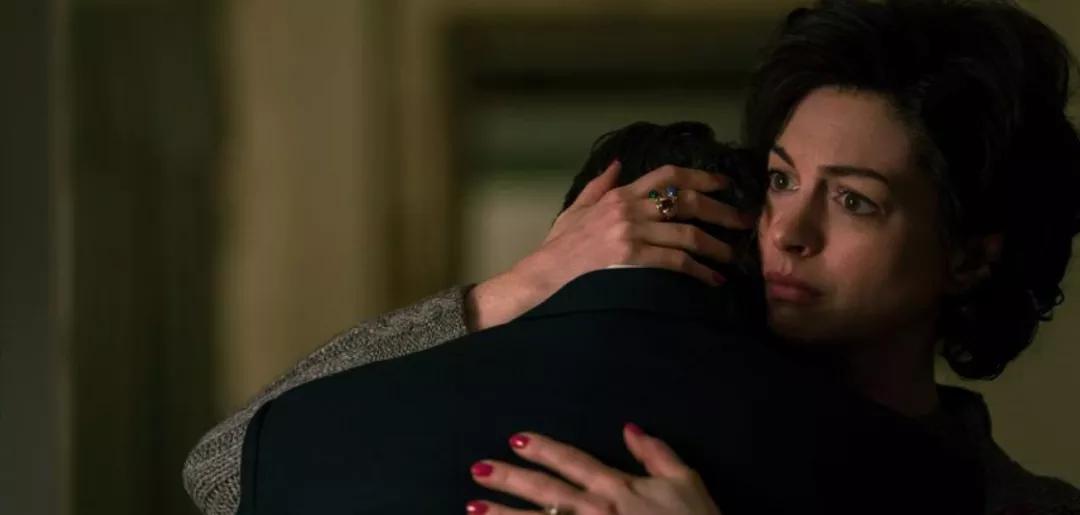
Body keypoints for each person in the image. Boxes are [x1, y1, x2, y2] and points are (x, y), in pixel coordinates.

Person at [183, 1, 1080, 514]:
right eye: (779, 179)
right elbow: (224, 469)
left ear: (968, 257)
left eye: (854, 200)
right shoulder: (639, 404)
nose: (787, 230)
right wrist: (526, 285)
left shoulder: (1018, 505)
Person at [233, 122, 983, 515]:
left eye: (852, 200)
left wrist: (521, 283)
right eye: (783, 185)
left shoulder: (302, 434)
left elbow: (219, 464)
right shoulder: (912, 475)